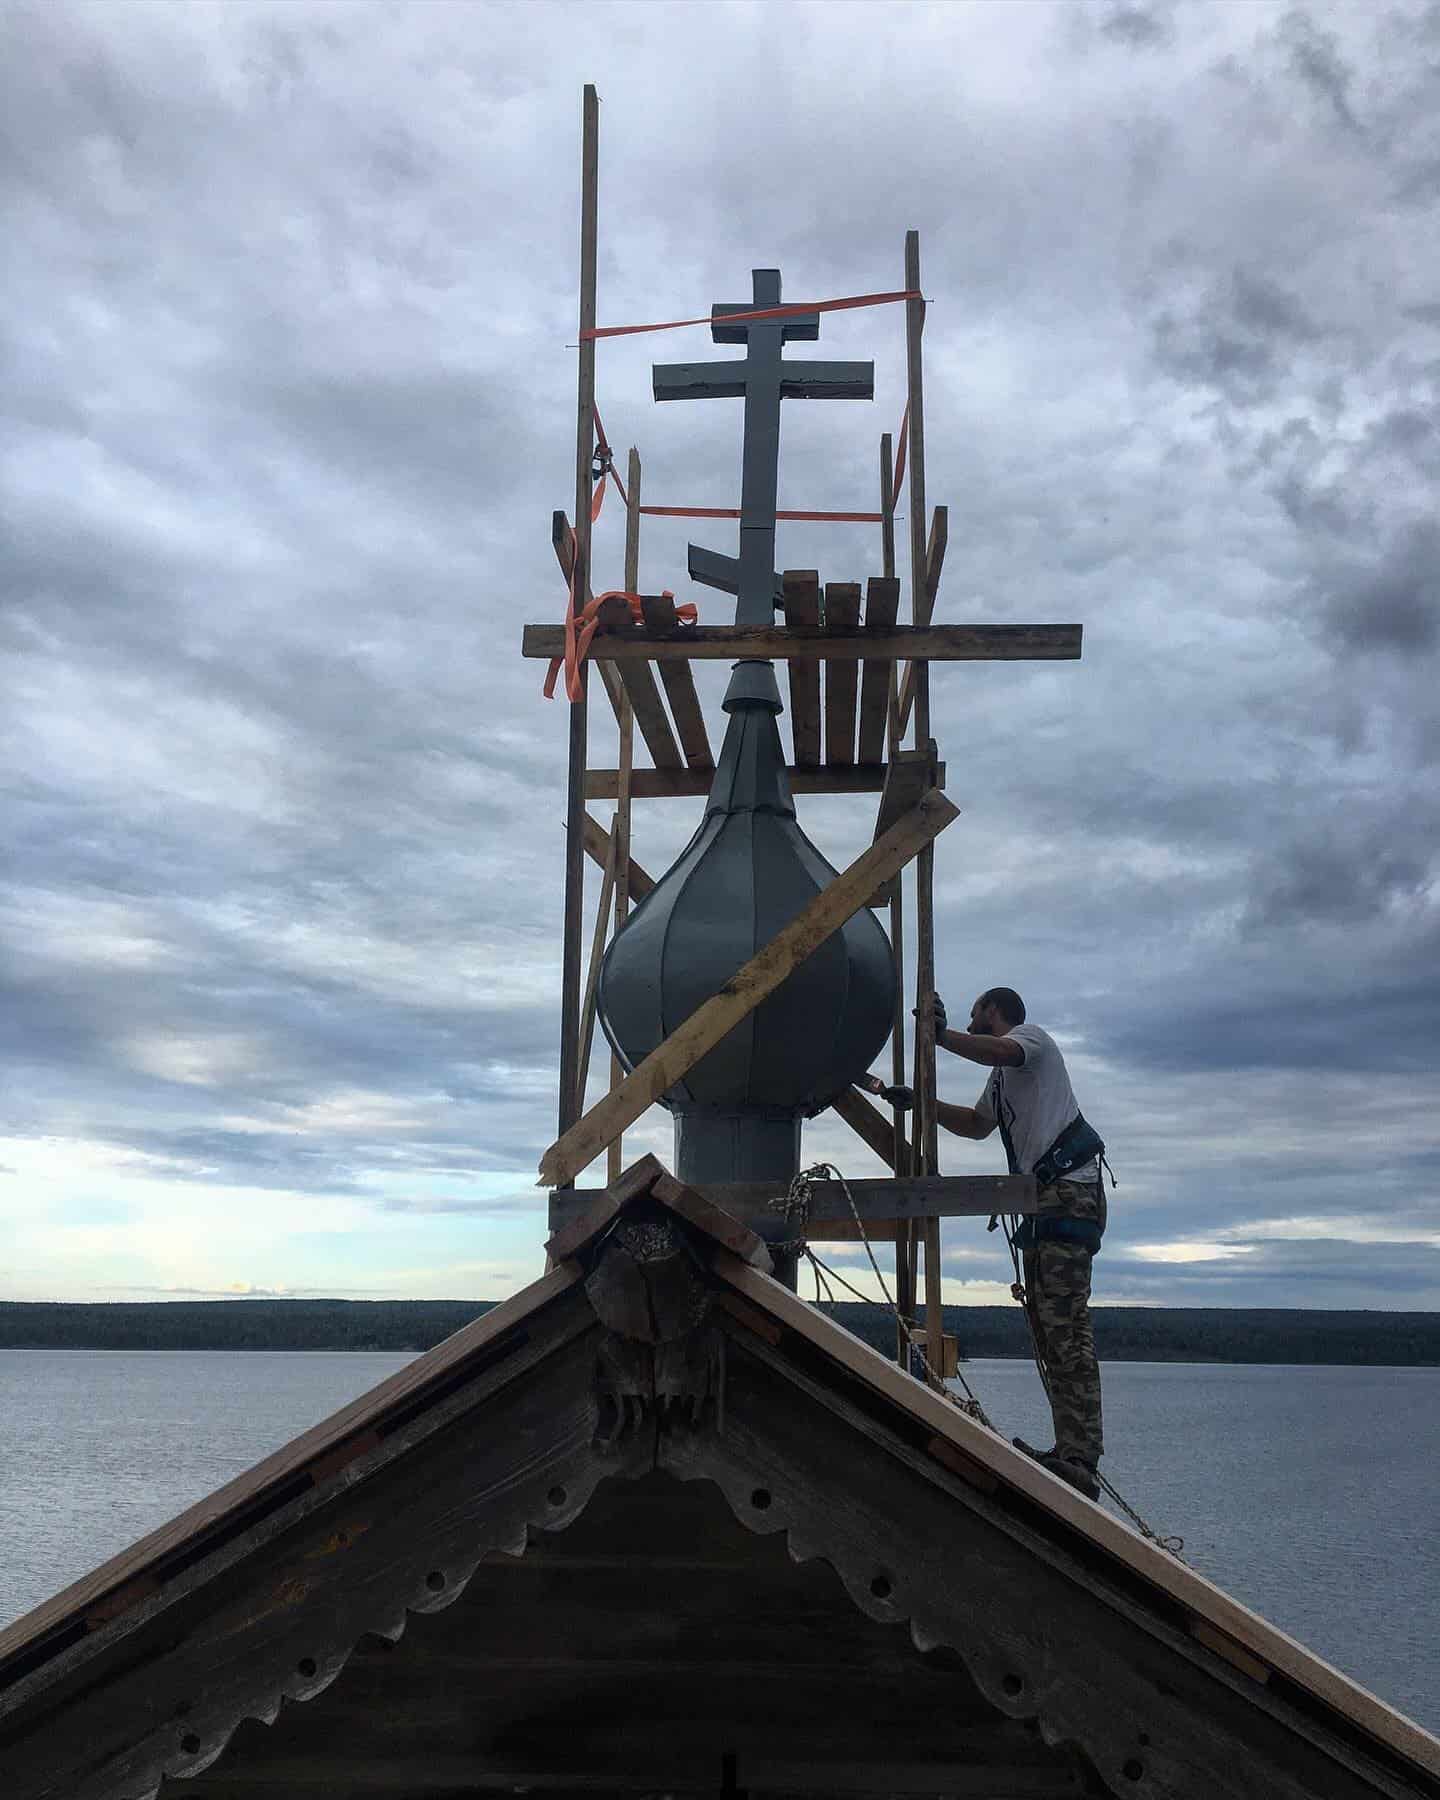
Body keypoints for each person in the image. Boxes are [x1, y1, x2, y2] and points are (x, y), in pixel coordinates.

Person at [921, 986, 1107, 1501]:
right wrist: (921, 1105)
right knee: (1050, 1330)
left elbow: (1001, 1050)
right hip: (1045, 1200)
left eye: (977, 1010)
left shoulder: (1031, 1042)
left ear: (994, 1010)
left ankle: (1081, 1457)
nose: (971, 1016)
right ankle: (1070, 1451)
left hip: (1068, 1193)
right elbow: (977, 1126)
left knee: (1066, 1327)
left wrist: (939, 1038)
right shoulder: (1002, 1081)